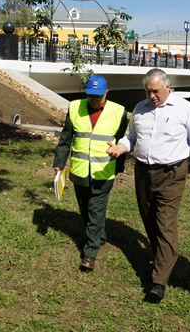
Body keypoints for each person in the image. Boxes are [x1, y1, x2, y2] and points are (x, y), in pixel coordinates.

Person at [107, 68, 190, 301]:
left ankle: (158, 282)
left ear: (167, 87)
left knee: (165, 224)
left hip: (171, 173)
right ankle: (163, 256)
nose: (152, 96)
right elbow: (131, 137)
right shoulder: (140, 109)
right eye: (148, 91)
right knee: (149, 218)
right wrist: (120, 147)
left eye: (155, 91)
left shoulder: (184, 109)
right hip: (143, 172)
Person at [53, 75, 128, 271]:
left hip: (103, 172)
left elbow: (122, 142)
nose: (94, 100)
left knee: (96, 209)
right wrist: (59, 163)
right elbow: (65, 139)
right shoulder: (74, 107)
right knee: (85, 208)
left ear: (106, 93)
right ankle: (99, 236)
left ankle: (90, 253)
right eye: (90, 96)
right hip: (80, 170)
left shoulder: (118, 111)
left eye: (98, 96)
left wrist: (119, 167)